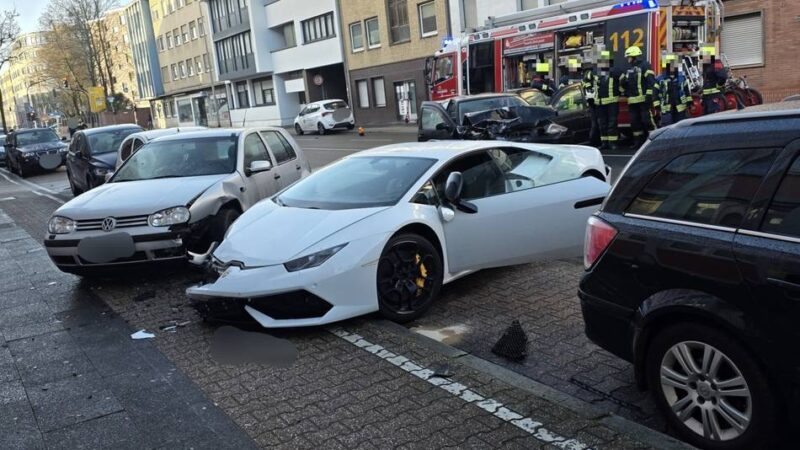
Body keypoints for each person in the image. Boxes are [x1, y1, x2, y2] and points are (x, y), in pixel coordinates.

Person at [620, 45, 656, 147]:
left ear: (634, 56)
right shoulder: (629, 68)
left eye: (629, 57)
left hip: (643, 100)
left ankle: (653, 140)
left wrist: (649, 95)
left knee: (647, 120)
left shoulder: (645, 66)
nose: (627, 59)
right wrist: (624, 88)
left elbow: (651, 82)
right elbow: (624, 83)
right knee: (634, 122)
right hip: (632, 101)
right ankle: (638, 142)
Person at [655, 56, 693, 126]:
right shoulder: (659, 79)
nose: (672, 67)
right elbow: (655, 94)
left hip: (680, 109)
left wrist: (690, 104)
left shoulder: (681, 78)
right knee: (667, 128)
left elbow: (687, 92)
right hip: (666, 110)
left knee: (681, 127)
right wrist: (657, 107)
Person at [595, 51, 621, 150]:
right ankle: (604, 143)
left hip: (612, 103)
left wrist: (620, 91)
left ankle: (613, 143)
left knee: (612, 123)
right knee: (602, 123)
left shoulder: (616, 72)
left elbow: (624, 82)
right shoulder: (597, 74)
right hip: (600, 103)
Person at [700, 47, 728, 115]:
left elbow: (723, 77)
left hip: (714, 97)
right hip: (707, 98)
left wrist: (718, 85)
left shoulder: (716, 62)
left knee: (714, 116)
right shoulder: (706, 65)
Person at [581, 58, 601, 148]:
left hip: (591, 103)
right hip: (593, 103)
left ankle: (594, 141)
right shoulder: (589, 75)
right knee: (596, 123)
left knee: (595, 123)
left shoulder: (587, 76)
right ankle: (594, 142)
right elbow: (588, 89)